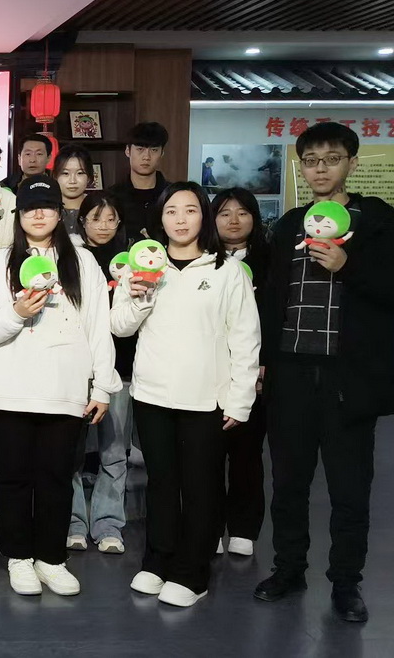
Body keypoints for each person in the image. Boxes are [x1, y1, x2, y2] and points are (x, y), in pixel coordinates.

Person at [254, 122, 394, 623]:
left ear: (351, 163)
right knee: (288, 482)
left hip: (346, 378)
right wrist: (263, 360)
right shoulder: (290, 224)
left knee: (349, 489)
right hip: (291, 371)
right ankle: (288, 568)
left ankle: (346, 583)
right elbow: (272, 296)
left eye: (331, 159)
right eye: (311, 161)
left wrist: (346, 265)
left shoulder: (377, 221)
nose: (320, 169)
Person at [111, 181, 259, 608]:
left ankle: (192, 572)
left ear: (203, 216)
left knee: (200, 486)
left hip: (205, 399)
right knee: (161, 483)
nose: (180, 219)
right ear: (160, 218)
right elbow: (119, 326)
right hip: (152, 395)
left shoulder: (226, 271)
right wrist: (140, 297)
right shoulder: (143, 265)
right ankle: (157, 561)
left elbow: (246, 339)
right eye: (171, 211)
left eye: (190, 210)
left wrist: (240, 400)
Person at [0, 174, 119, 597]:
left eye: (48, 207)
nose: (39, 215)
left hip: (65, 390)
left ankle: (52, 559)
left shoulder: (83, 262)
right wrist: (17, 312)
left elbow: (98, 327)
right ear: (18, 214)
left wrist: (102, 387)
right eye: (30, 208)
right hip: (8, 390)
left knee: (56, 478)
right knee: (13, 477)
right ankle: (19, 556)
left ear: (60, 213)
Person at [68, 193, 135, 555]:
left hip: (120, 367)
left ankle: (109, 524)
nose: (104, 226)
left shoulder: (134, 260)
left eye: (111, 219)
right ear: (82, 221)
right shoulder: (71, 258)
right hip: (77, 367)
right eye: (96, 218)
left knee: (114, 451)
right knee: (72, 453)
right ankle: (74, 523)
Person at [210, 187, 270, 559]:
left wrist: (264, 364)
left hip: (254, 372)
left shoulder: (271, 260)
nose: (234, 220)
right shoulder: (204, 260)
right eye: (224, 213)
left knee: (247, 453)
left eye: (242, 212)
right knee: (208, 455)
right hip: (211, 372)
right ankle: (211, 526)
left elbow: (277, 316)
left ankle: (244, 528)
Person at [109, 122, 169, 240]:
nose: (146, 157)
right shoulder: (111, 197)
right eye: (140, 149)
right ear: (128, 151)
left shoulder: (173, 195)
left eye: (154, 150)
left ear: (162, 153)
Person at [53, 145, 94, 234]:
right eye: (65, 173)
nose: (72, 181)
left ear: (89, 177)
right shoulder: (47, 209)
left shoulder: (98, 207)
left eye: (80, 173)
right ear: (55, 176)